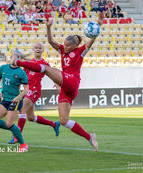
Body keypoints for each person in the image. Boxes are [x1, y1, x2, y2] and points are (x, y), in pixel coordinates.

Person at [11, 12, 106, 152]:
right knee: (63, 121)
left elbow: (91, 40)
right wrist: (48, 27)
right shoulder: (62, 50)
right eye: (65, 45)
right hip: (65, 88)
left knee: (46, 69)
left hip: (72, 82)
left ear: (75, 45)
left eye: (68, 46)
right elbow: (50, 41)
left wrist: (100, 23)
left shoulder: (80, 52)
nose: (65, 47)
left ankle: (17, 62)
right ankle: (89, 137)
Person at [8, 43, 60, 144]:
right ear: (33, 49)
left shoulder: (45, 64)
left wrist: (56, 84)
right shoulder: (29, 63)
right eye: (36, 47)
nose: (38, 49)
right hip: (27, 90)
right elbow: (22, 75)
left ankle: (17, 137)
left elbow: (52, 74)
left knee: (22, 110)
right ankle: (54, 124)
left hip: (35, 90)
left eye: (40, 48)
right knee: (30, 117)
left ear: (42, 50)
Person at [0, 55, 29, 152]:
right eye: (13, 56)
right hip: (5, 100)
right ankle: (15, 130)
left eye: (17, 57)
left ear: (19, 60)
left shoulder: (21, 72)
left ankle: (23, 144)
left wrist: (19, 97)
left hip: (15, 101)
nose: (14, 58)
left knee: (9, 123)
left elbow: (27, 89)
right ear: (10, 58)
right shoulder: (3, 68)